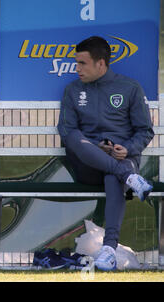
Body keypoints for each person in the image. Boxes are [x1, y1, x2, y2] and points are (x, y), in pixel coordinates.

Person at [57, 36, 154, 271]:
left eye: (82, 63)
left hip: (123, 158)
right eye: (76, 63)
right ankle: (129, 178)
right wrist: (94, 146)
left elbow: (145, 130)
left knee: (113, 176)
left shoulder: (130, 88)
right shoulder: (73, 90)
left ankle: (109, 250)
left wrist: (127, 148)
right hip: (88, 166)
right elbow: (67, 130)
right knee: (73, 137)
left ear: (101, 64)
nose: (76, 69)